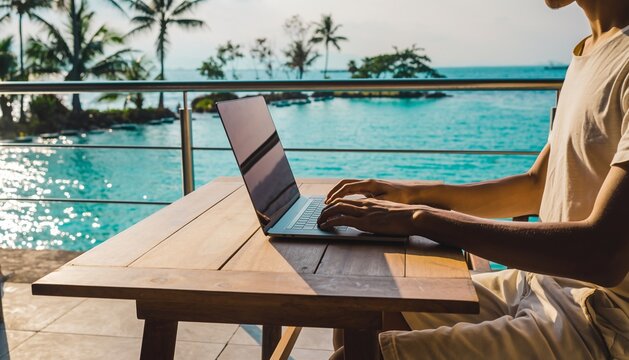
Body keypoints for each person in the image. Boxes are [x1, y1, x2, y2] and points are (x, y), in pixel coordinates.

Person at [318, 0, 629, 358]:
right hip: (538, 282)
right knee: (368, 310)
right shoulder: (590, 49)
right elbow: (536, 186)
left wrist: (421, 219)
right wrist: (410, 196)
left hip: (600, 321)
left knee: (353, 356)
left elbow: (604, 254)